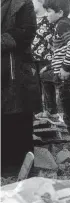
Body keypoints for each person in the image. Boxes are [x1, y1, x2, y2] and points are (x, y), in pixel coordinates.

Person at [40, 0, 70, 169]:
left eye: (49, 11)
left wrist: (66, 67)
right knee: (44, 76)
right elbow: (63, 50)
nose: (46, 15)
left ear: (59, 12)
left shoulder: (62, 25)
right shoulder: (67, 23)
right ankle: (51, 110)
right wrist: (51, 66)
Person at [1, 0, 40, 177]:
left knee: (19, 118)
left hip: (17, 72)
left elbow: (28, 32)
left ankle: (22, 169)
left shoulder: (23, 4)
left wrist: (3, 39)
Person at [31, 0, 55, 117]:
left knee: (48, 84)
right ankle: (38, 111)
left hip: (46, 59)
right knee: (34, 85)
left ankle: (51, 111)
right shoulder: (30, 19)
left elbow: (54, 38)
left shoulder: (49, 19)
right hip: (32, 59)